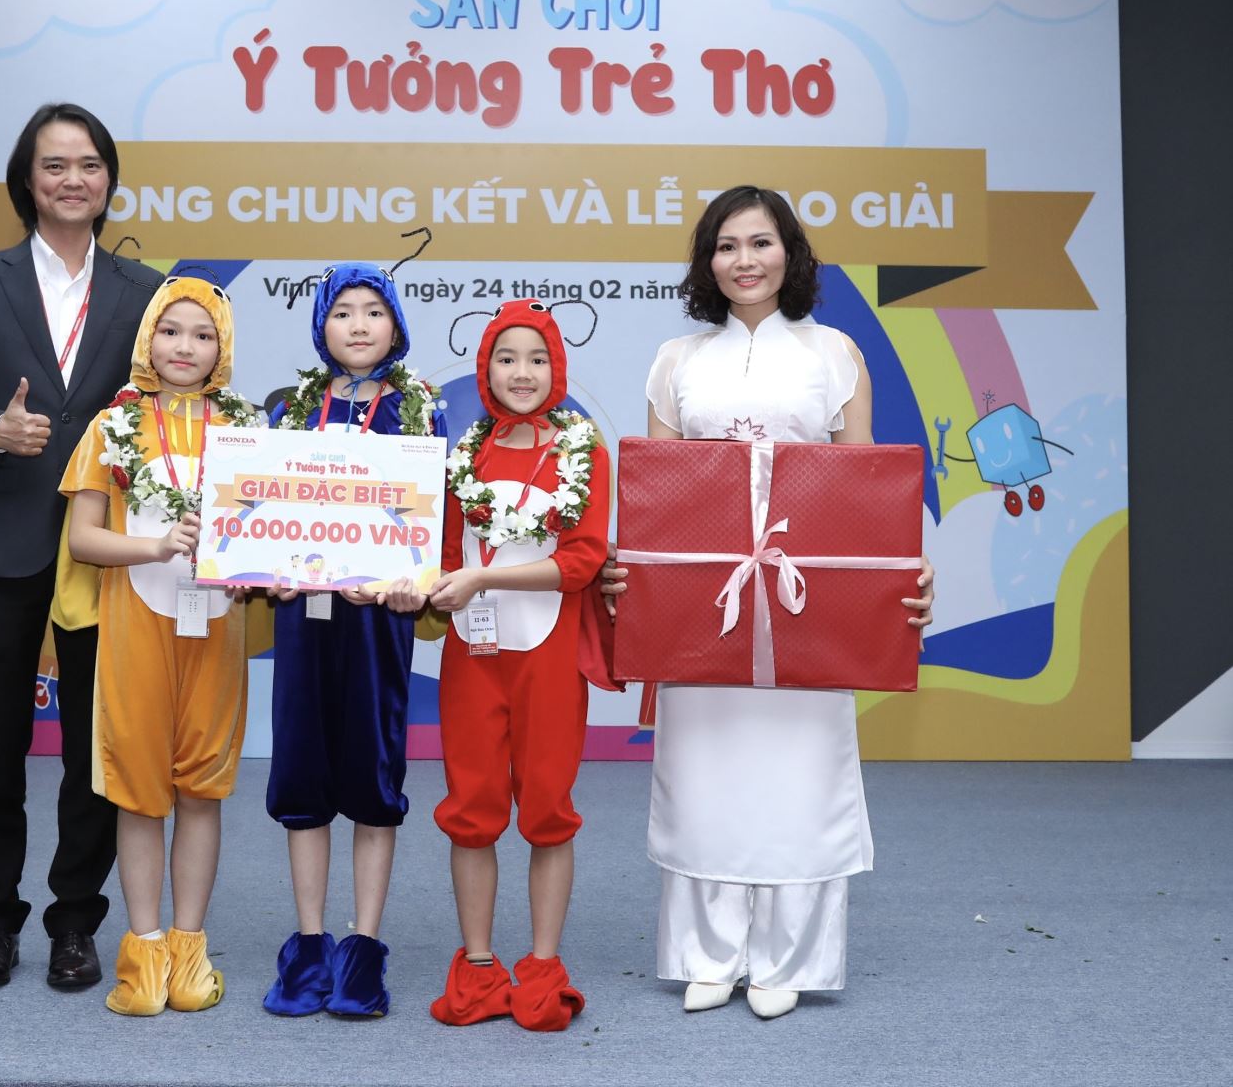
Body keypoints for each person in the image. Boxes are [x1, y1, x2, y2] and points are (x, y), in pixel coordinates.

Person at [601, 186, 934, 1021]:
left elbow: (865, 487)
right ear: (706, 261)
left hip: (807, 603)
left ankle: (789, 958)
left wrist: (903, 576)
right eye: (726, 246)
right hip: (702, 604)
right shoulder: (676, 360)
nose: (744, 260)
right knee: (703, 777)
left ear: (791, 252)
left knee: (801, 779)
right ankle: (707, 953)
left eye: (760, 242)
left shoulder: (836, 353)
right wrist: (630, 576)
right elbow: (658, 496)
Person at [0, 103, 163, 990]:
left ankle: (75, 921)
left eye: (88, 164)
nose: (72, 180)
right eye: (55, 165)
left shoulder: (145, 290)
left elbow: (171, 406)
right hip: (4, 541)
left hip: (107, 548)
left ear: (109, 180)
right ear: (27, 181)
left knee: (95, 748)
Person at [397, 300, 611, 1032]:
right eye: (507, 358)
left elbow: (582, 561)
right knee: (473, 808)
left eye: (538, 358)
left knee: (548, 807)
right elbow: (443, 557)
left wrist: (484, 578)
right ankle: (480, 963)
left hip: (549, 658)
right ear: (485, 368)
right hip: (473, 657)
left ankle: (543, 964)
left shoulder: (583, 451)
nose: (523, 373)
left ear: (558, 368)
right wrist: (408, 582)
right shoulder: (465, 452)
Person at [61, 275, 256, 1016]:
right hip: (135, 625)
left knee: (202, 789)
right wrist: (154, 545)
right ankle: (142, 955)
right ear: (148, 338)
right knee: (139, 792)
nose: (185, 346)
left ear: (221, 347)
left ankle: (189, 951)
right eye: (171, 330)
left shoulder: (246, 429)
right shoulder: (112, 425)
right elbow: (83, 539)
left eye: (203, 334)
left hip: (218, 627)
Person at [261, 262, 439, 1020]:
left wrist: (413, 581)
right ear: (320, 326)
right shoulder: (290, 410)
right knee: (303, 776)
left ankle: (363, 945)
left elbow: (431, 520)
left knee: (371, 776)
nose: (358, 325)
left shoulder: (417, 410)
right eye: (343, 311)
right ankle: (309, 943)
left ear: (395, 325)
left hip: (377, 623)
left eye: (373, 310)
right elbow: (261, 509)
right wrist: (265, 569)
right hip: (303, 618)